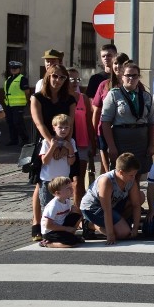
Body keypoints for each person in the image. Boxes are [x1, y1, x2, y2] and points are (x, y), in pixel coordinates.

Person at [30, 64, 76, 240]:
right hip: (44, 142)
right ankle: (37, 222)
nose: (58, 80)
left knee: (62, 180)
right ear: (48, 77)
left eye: (62, 77)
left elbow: (70, 124)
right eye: (55, 76)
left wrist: (64, 144)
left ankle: (58, 221)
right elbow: (39, 123)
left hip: (66, 143)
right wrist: (52, 144)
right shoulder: (38, 97)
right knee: (40, 184)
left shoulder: (69, 99)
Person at [101, 62, 154, 178]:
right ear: (122, 76)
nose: (131, 78)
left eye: (135, 75)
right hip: (121, 142)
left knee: (137, 175)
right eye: (128, 75)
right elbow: (105, 122)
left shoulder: (146, 97)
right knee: (121, 175)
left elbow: (152, 123)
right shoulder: (114, 95)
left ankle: (135, 196)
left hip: (141, 142)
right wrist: (111, 146)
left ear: (139, 77)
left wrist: (151, 145)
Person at [80, 152, 142, 245]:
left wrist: (135, 228)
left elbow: (136, 204)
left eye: (134, 174)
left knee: (140, 196)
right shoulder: (106, 181)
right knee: (123, 233)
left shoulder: (131, 180)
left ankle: (119, 224)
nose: (133, 178)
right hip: (93, 207)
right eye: (131, 175)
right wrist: (110, 234)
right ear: (121, 172)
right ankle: (88, 224)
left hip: (113, 204)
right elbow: (107, 210)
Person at [92, 52, 130, 175]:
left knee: (124, 168)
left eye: (121, 63)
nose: (118, 66)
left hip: (125, 132)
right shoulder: (104, 85)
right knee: (108, 171)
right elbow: (96, 110)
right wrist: (94, 133)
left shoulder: (134, 84)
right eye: (115, 63)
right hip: (104, 131)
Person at [68, 68, 96, 202]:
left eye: (77, 79)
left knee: (78, 180)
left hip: (82, 144)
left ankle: (79, 214)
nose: (75, 82)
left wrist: (93, 142)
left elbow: (89, 123)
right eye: (71, 79)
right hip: (65, 144)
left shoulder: (83, 98)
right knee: (65, 181)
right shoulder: (61, 99)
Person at [39, 176, 82, 248]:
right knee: (72, 243)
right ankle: (47, 243)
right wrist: (66, 228)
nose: (72, 189)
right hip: (50, 231)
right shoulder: (53, 206)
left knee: (77, 214)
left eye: (71, 187)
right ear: (58, 193)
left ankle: (71, 235)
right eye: (68, 188)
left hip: (61, 226)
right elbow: (48, 225)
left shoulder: (67, 201)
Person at [3, 61, 29, 146]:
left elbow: (27, 92)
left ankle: (25, 139)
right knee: (10, 122)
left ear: (19, 69)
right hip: (9, 104)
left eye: (16, 68)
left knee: (18, 122)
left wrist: (27, 102)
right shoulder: (9, 79)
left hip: (18, 105)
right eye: (12, 68)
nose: (14, 70)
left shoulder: (22, 79)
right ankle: (14, 140)